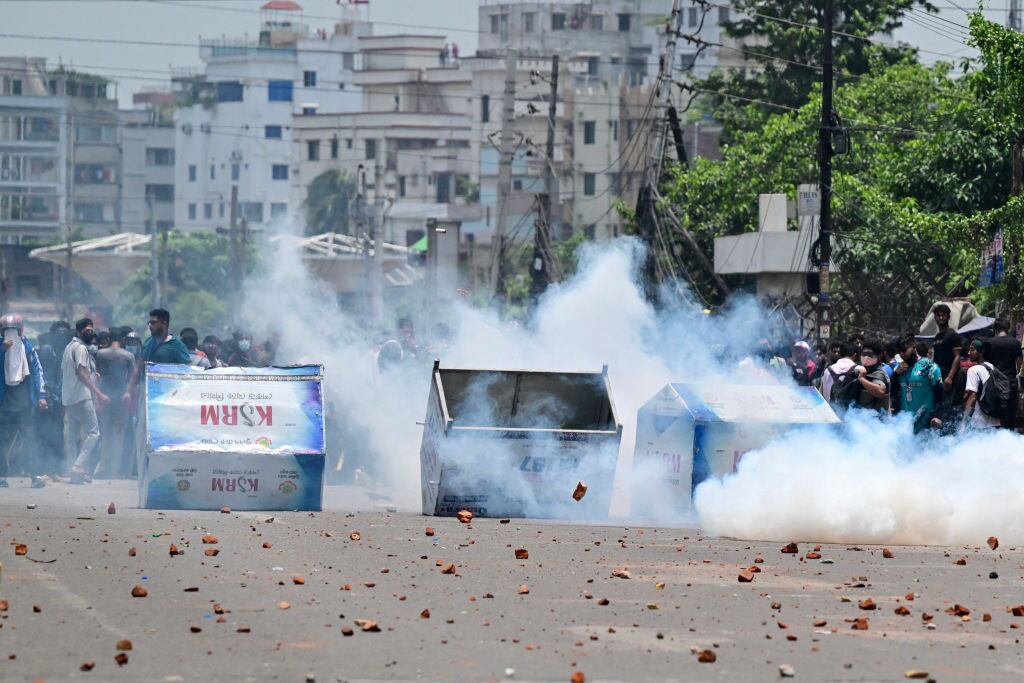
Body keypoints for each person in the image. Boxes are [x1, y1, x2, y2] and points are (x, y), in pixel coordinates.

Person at [0, 314, 48, 488]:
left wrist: (41, 396)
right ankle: (1, 476)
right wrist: (3, 351)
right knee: (3, 441)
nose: (11, 333)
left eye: (14, 330)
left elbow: (37, 371)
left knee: (30, 439)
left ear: (20, 330)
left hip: (25, 405)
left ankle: (35, 475)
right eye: (7, 330)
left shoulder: (27, 347)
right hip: (4, 406)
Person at [62, 318, 107, 484]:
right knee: (94, 433)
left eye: (92, 330)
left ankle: (72, 471)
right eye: (88, 330)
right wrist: (98, 393)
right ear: (79, 331)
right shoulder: (80, 348)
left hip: (69, 398)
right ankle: (78, 466)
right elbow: (81, 373)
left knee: (72, 437)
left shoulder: (69, 347)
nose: (91, 333)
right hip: (81, 396)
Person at [94, 327, 135, 478]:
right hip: (121, 398)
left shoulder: (101, 354)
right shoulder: (128, 355)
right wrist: (127, 392)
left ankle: (104, 467)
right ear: (122, 340)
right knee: (119, 435)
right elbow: (133, 376)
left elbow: (97, 375)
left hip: (105, 396)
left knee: (105, 434)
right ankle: (115, 470)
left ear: (109, 339)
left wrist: (98, 395)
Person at [895, 339, 944, 434]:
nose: (902, 355)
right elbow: (894, 391)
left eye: (905, 351)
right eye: (901, 352)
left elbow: (939, 391)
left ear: (914, 348)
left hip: (927, 421)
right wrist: (896, 374)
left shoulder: (928, 366)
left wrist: (938, 415)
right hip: (906, 423)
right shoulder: (900, 369)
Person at [985, 319, 1023, 429]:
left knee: (994, 413)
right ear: (1007, 329)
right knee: (1010, 414)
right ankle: (1008, 435)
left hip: (993, 382)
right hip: (1010, 382)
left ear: (995, 329)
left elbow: (985, 364)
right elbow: (1019, 365)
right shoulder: (1015, 343)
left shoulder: (989, 343)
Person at [962, 339, 1003, 431]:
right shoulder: (993, 368)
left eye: (972, 350)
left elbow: (972, 396)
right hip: (996, 421)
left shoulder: (973, 370)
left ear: (981, 352)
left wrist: (964, 422)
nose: (969, 353)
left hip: (979, 422)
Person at [931, 304, 962, 412]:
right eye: (938, 315)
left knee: (947, 410)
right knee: (938, 409)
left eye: (943, 315)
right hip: (938, 378)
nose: (941, 318)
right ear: (935, 318)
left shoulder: (952, 335)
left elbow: (957, 356)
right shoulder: (937, 337)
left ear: (948, 317)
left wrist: (950, 377)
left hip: (949, 379)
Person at [853, 339, 891, 414]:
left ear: (878, 356)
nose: (866, 357)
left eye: (870, 355)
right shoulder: (860, 370)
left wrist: (862, 379)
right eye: (864, 354)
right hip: (858, 418)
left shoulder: (879, 373)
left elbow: (880, 391)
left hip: (877, 419)